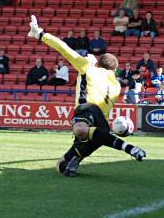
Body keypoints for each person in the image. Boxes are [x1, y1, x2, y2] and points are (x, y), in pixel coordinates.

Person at [27, 15, 146, 177]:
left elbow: (64, 48)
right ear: (114, 70)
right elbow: (106, 109)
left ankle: (126, 147)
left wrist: (40, 34)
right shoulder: (117, 86)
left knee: (80, 129)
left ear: (98, 63)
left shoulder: (88, 67)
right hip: (100, 126)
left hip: (87, 111)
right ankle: (88, 154)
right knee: (61, 166)